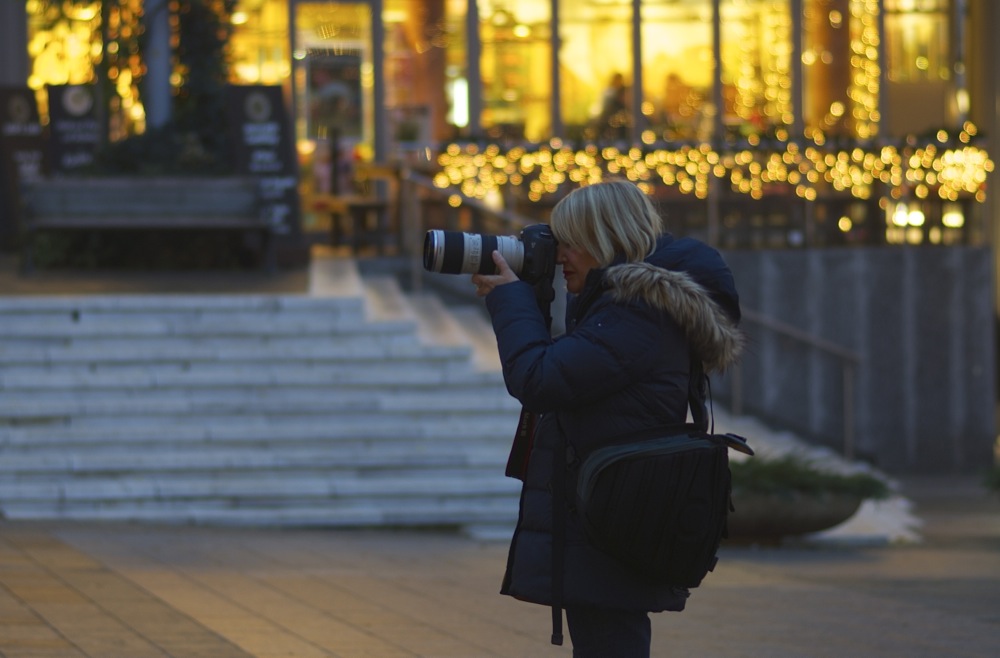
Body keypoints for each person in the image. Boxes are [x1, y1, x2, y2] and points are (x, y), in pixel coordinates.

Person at [471, 179, 743, 657]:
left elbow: (539, 378)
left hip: (615, 508)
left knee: (610, 641)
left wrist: (510, 300)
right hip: (608, 505)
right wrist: (530, 299)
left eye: (572, 242)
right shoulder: (616, 307)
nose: (560, 256)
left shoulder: (639, 312)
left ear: (607, 239)